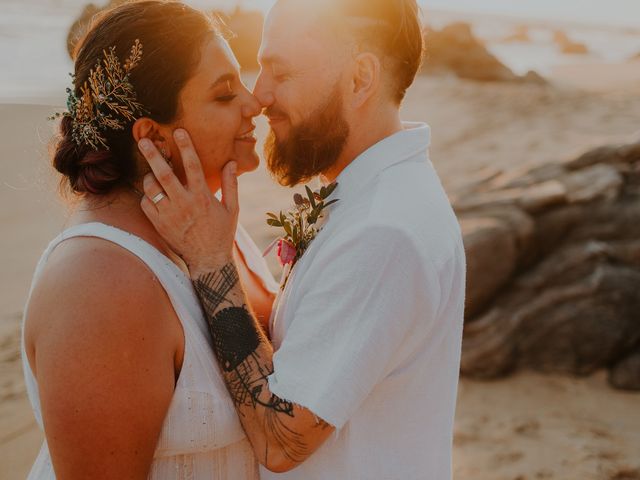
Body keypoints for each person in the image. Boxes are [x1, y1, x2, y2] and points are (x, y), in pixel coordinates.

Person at [138, 0, 467, 478]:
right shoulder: (377, 198)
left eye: (280, 72)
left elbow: (280, 441)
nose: (260, 95)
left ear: (359, 79)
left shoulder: (384, 232)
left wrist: (211, 261)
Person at [21, 2, 277, 478]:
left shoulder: (209, 230)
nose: (253, 102)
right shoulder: (98, 282)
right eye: (224, 95)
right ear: (154, 139)